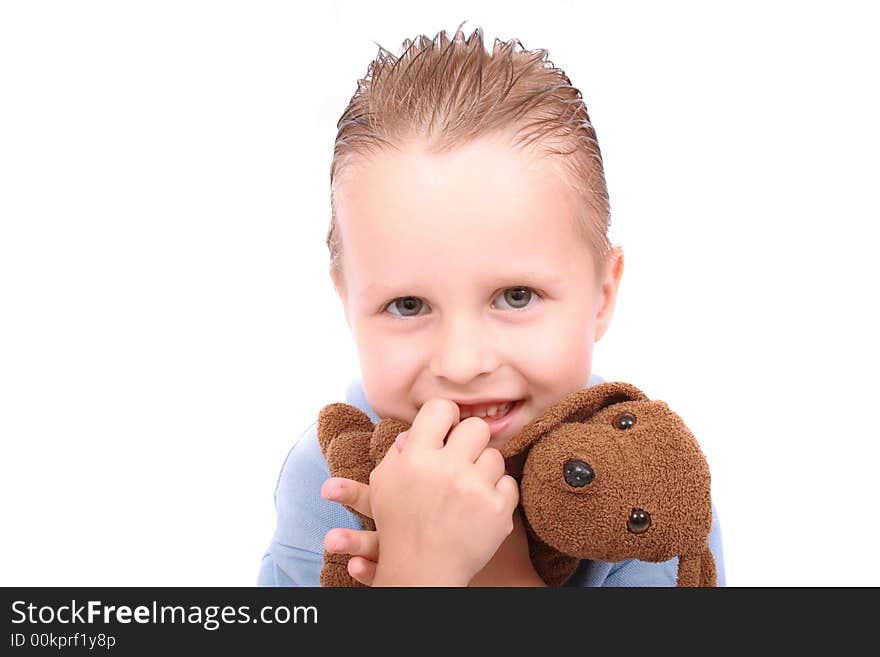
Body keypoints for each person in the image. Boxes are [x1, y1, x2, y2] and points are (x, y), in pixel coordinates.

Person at [258, 23, 725, 587]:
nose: (462, 362)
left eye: (516, 296)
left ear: (602, 295)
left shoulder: (644, 479)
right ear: (347, 303)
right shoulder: (328, 475)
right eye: (407, 305)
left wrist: (494, 575)